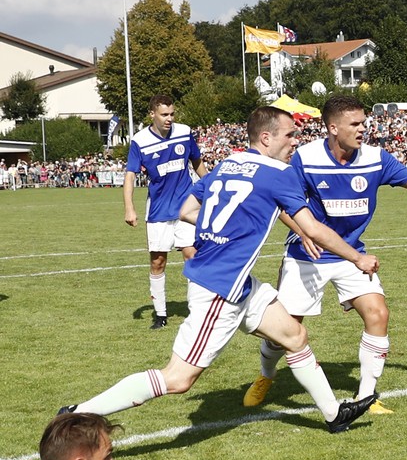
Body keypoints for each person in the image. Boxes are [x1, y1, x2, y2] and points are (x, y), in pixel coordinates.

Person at [61, 107, 378, 433]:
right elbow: (311, 228)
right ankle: (77, 412)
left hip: (237, 283)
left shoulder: (229, 163)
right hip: (220, 288)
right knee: (178, 378)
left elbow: (186, 209)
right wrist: (357, 258)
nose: (295, 142)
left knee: (294, 335)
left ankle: (333, 414)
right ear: (266, 138)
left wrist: (220, 226)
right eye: (290, 135)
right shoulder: (279, 173)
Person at [242, 96, 407, 415]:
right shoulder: (304, 158)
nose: (363, 129)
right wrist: (305, 231)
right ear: (333, 128)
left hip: (351, 255)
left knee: (378, 314)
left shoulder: (376, 158)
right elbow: (281, 202)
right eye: (356, 124)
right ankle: (266, 376)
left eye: (364, 122)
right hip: (307, 256)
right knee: (285, 332)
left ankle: (366, 396)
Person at [124, 94, 206, 329]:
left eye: (172, 114)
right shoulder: (139, 141)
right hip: (159, 211)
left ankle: (196, 311)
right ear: (152, 114)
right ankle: (160, 315)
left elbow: (197, 162)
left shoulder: (184, 132)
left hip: (186, 208)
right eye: (164, 114)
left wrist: (211, 187)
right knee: (158, 262)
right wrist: (129, 208)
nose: (169, 119)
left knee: (192, 256)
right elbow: (130, 175)